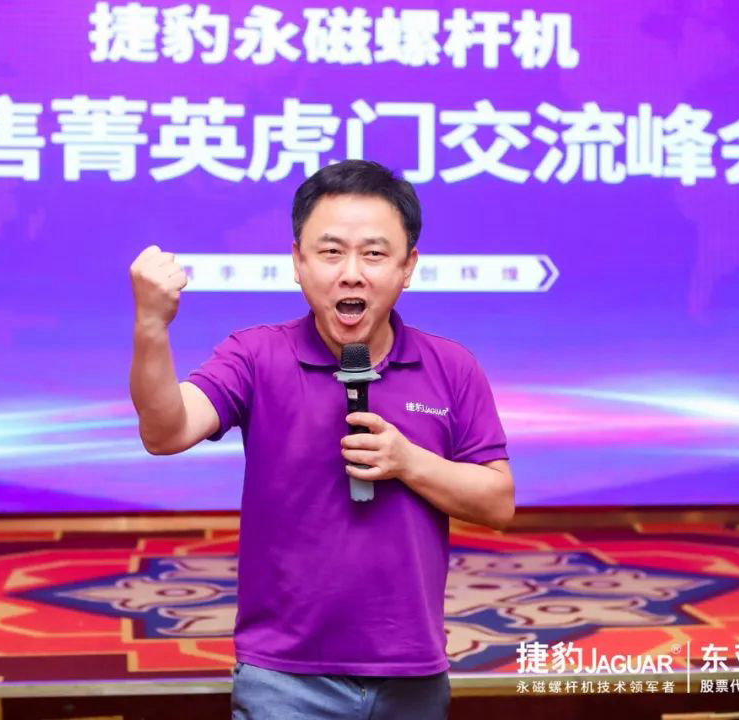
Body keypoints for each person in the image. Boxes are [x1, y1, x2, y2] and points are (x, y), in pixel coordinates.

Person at [128, 159, 514, 719]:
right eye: (331, 252)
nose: (351, 274)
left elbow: (498, 502)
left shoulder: (451, 367)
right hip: (285, 677)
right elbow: (165, 432)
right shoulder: (255, 356)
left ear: (408, 266)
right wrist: (151, 325)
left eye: (374, 254)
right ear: (297, 261)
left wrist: (408, 461)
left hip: (412, 673)